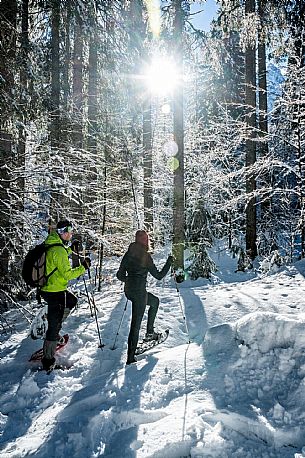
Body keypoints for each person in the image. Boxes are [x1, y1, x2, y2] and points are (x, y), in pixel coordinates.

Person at [40, 219, 91, 371]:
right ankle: (48, 360)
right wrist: (83, 267)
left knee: (72, 300)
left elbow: (59, 255)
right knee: (54, 325)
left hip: (50, 288)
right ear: (62, 232)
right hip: (54, 291)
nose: (71, 233)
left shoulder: (53, 243)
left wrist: (71, 249)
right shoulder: (59, 250)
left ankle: (54, 328)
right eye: (68, 231)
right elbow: (68, 274)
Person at [116, 230, 173, 365]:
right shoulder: (145, 256)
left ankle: (150, 333)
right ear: (144, 241)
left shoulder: (129, 253)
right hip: (139, 293)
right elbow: (158, 276)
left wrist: (129, 280)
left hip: (129, 291)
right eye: (146, 239)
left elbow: (119, 275)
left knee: (155, 301)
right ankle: (130, 358)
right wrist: (169, 263)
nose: (147, 241)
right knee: (135, 325)